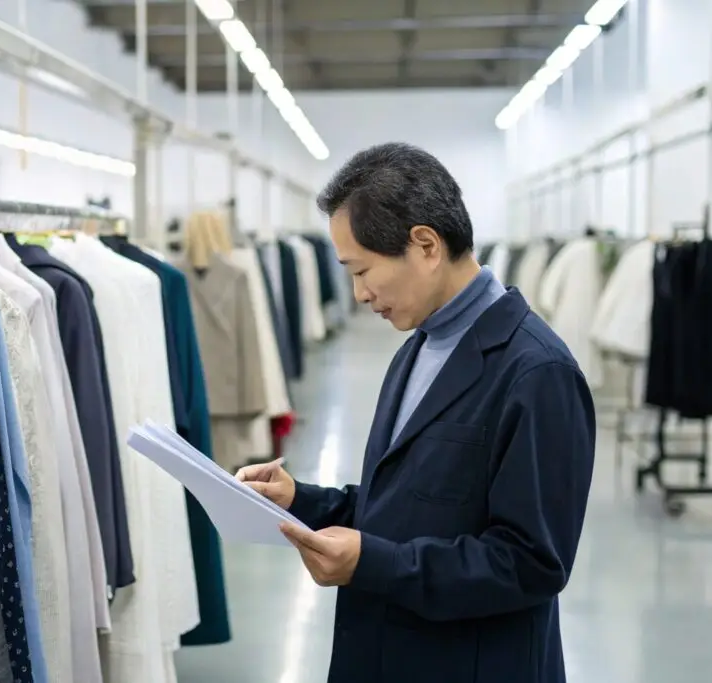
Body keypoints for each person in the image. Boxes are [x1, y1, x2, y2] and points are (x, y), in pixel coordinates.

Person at [236, 143, 596, 683]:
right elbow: (408, 506)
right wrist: (301, 501)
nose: (358, 294)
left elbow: (530, 563)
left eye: (362, 271)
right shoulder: (420, 345)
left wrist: (373, 563)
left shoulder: (537, 374)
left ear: (425, 244)